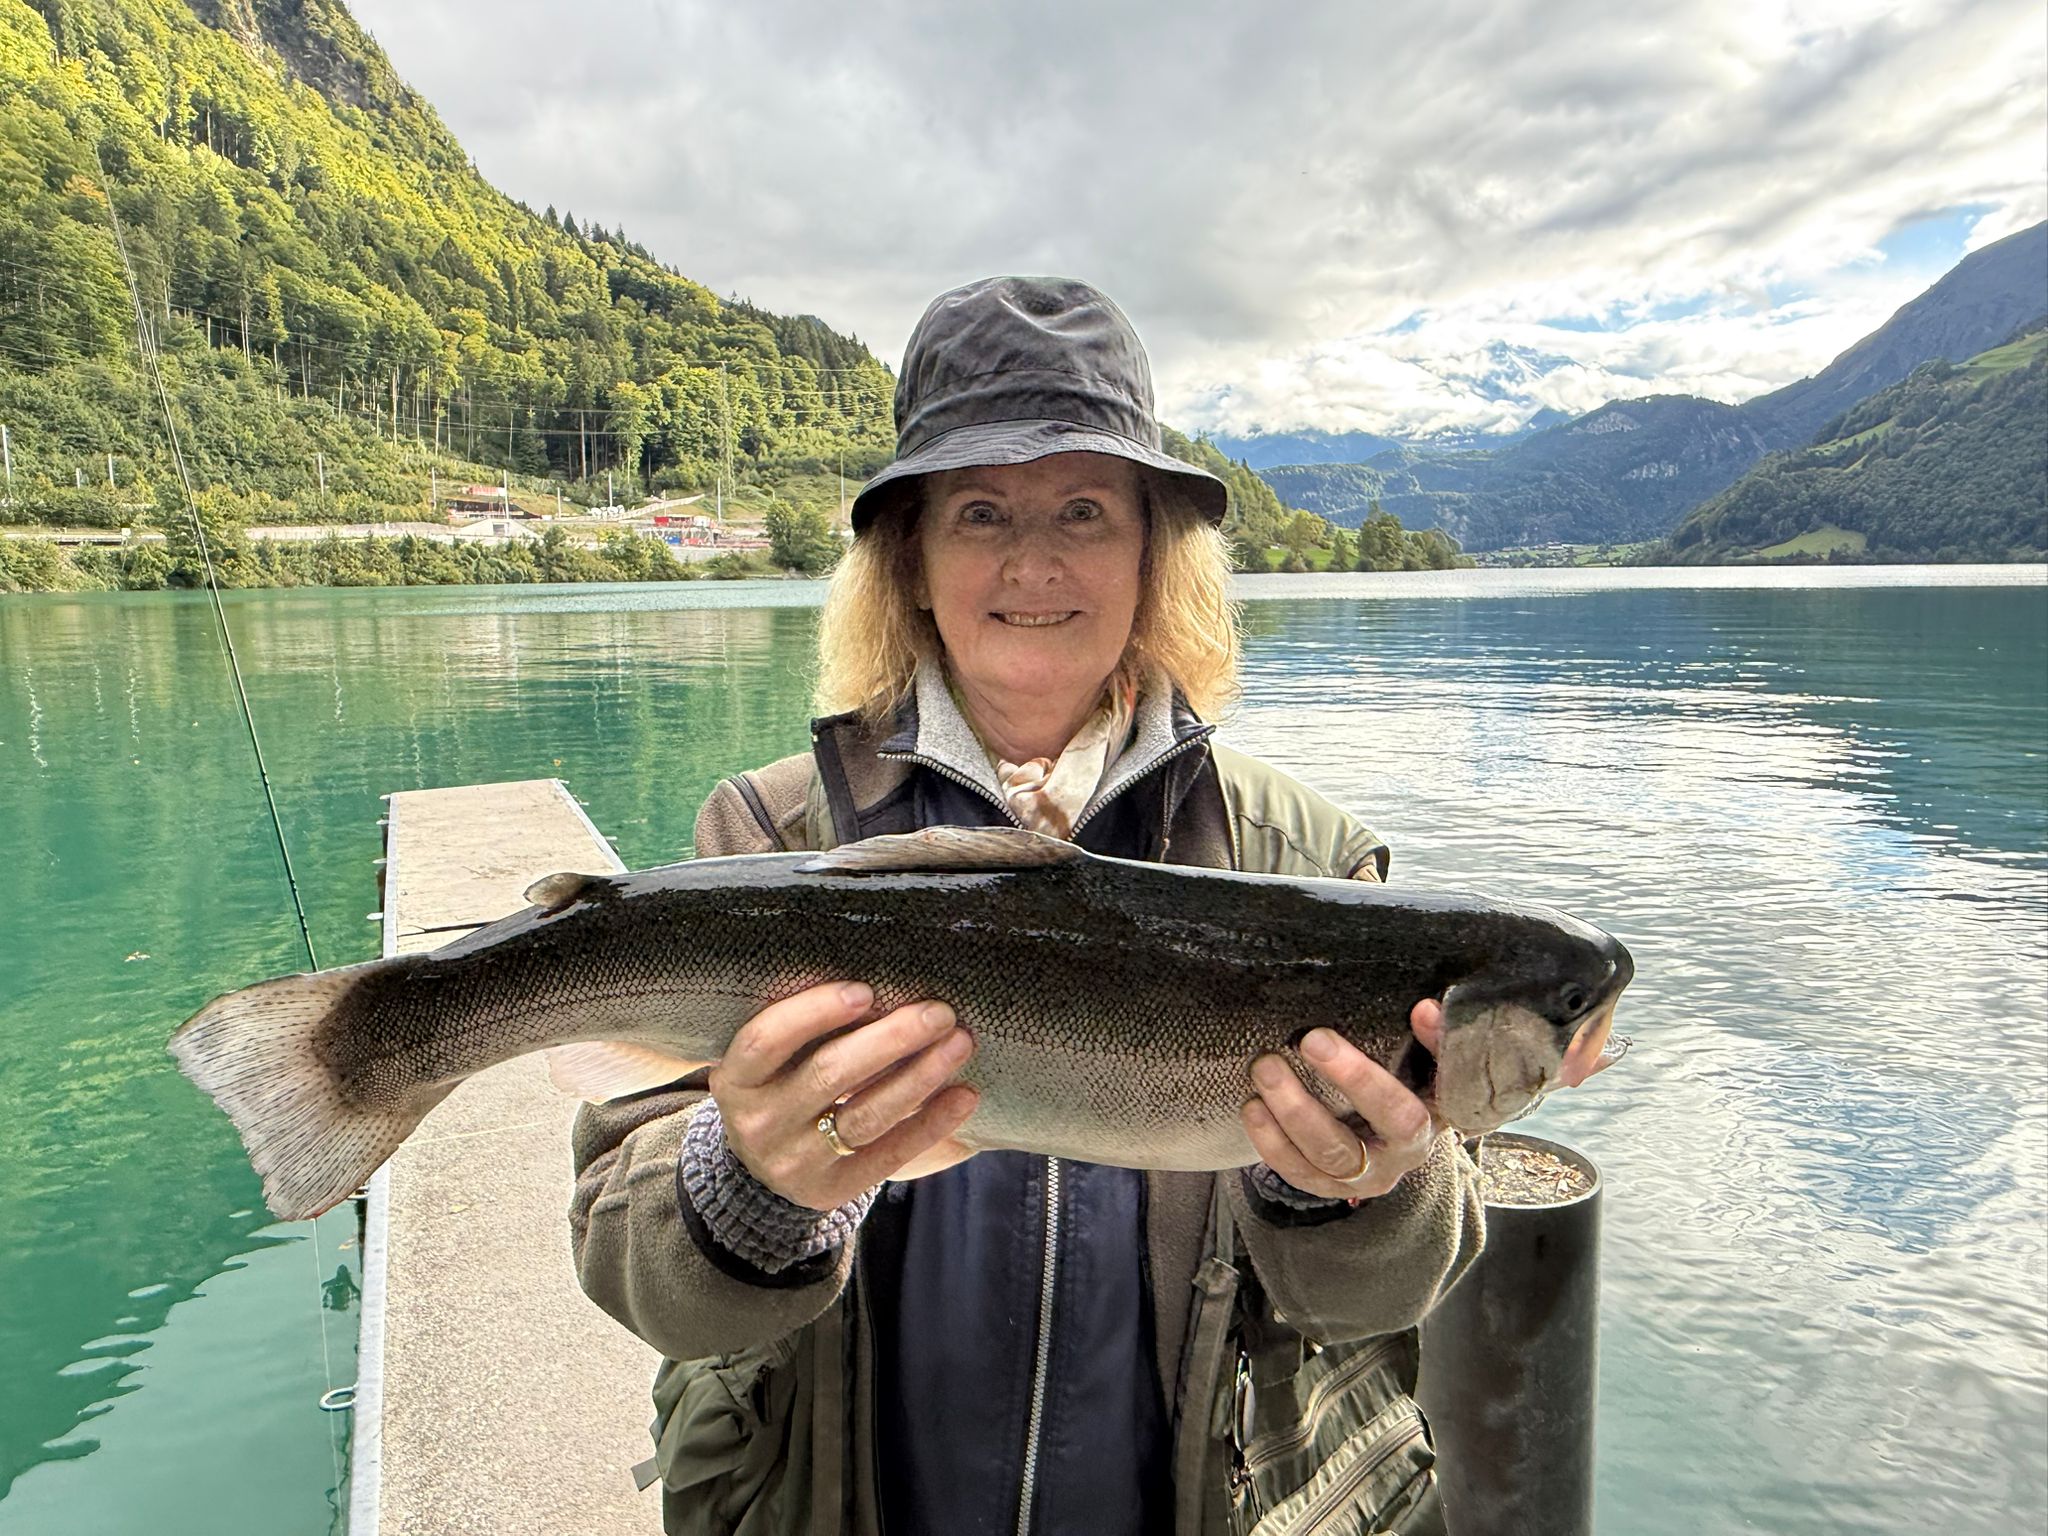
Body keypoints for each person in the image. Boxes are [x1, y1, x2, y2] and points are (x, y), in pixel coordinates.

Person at [570, 276, 1591, 1536]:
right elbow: (642, 1277)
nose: (1034, 561)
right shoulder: (775, 836)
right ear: (912, 556)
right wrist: (755, 1187)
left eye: (1086, 511)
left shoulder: (1304, 857)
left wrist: (1350, 1184)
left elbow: (1378, 1298)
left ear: (1153, 552)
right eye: (982, 509)